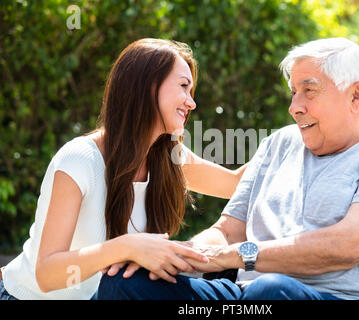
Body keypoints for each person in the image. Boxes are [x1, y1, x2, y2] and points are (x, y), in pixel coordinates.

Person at [96, 37, 359, 300]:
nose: (294, 107)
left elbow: (351, 244)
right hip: (245, 297)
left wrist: (237, 257)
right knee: (124, 283)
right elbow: (228, 231)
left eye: (309, 91)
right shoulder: (280, 143)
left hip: (327, 295)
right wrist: (181, 256)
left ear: (356, 96)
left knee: (270, 292)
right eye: (293, 93)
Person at [0, 38, 248, 300]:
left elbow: (236, 184)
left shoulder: (169, 157)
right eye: (184, 87)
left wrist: (289, 133)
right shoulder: (80, 160)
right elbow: (47, 273)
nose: (191, 102)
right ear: (147, 86)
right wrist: (126, 247)